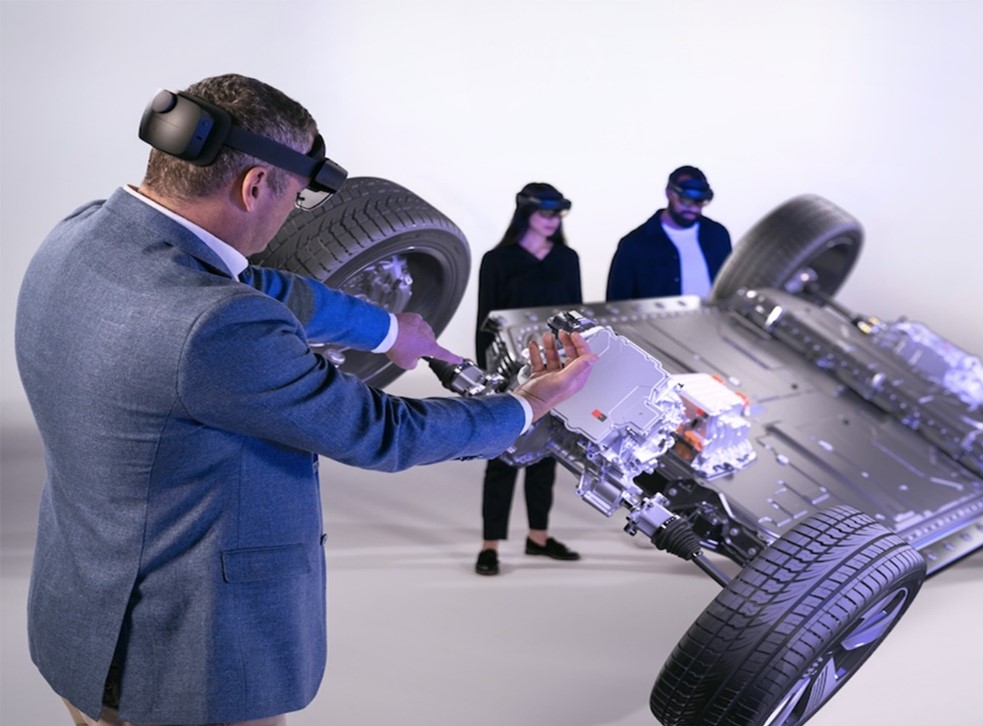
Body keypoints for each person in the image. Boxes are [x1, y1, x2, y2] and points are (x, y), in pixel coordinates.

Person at [14, 74, 595, 726]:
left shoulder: (79, 235)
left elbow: (250, 281)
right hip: (183, 664)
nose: (292, 212)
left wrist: (387, 329)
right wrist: (525, 406)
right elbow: (383, 432)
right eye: (294, 195)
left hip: (81, 622)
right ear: (255, 184)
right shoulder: (216, 328)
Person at [473, 183, 585, 576]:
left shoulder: (567, 259)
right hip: (509, 370)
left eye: (558, 215)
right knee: (503, 454)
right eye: (546, 213)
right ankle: (490, 545)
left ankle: (538, 537)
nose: (553, 221)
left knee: (548, 453)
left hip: (556, 366)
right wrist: (485, 379)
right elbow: (485, 321)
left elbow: (578, 318)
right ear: (525, 212)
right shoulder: (498, 260)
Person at [605, 165, 732, 301]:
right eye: (685, 199)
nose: (693, 208)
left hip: (714, 320)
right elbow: (616, 303)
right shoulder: (634, 245)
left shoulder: (718, 235)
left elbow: (732, 285)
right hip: (656, 322)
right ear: (669, 193)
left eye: (699, 201)